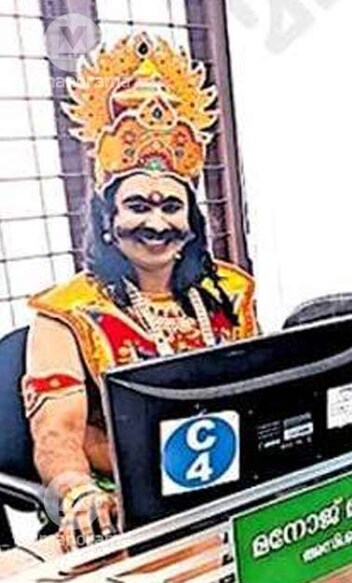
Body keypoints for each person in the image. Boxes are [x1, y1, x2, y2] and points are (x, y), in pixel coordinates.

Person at [20, 33, 258, 552]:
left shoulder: (229, 293)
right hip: (127, 500)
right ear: (109, 222)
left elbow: (259, 393)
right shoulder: (66, 312)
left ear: (192, 223)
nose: (156, 223)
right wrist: (78, 494)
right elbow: (57, 431)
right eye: (138, 206)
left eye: (172, 207)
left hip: (237, 488)